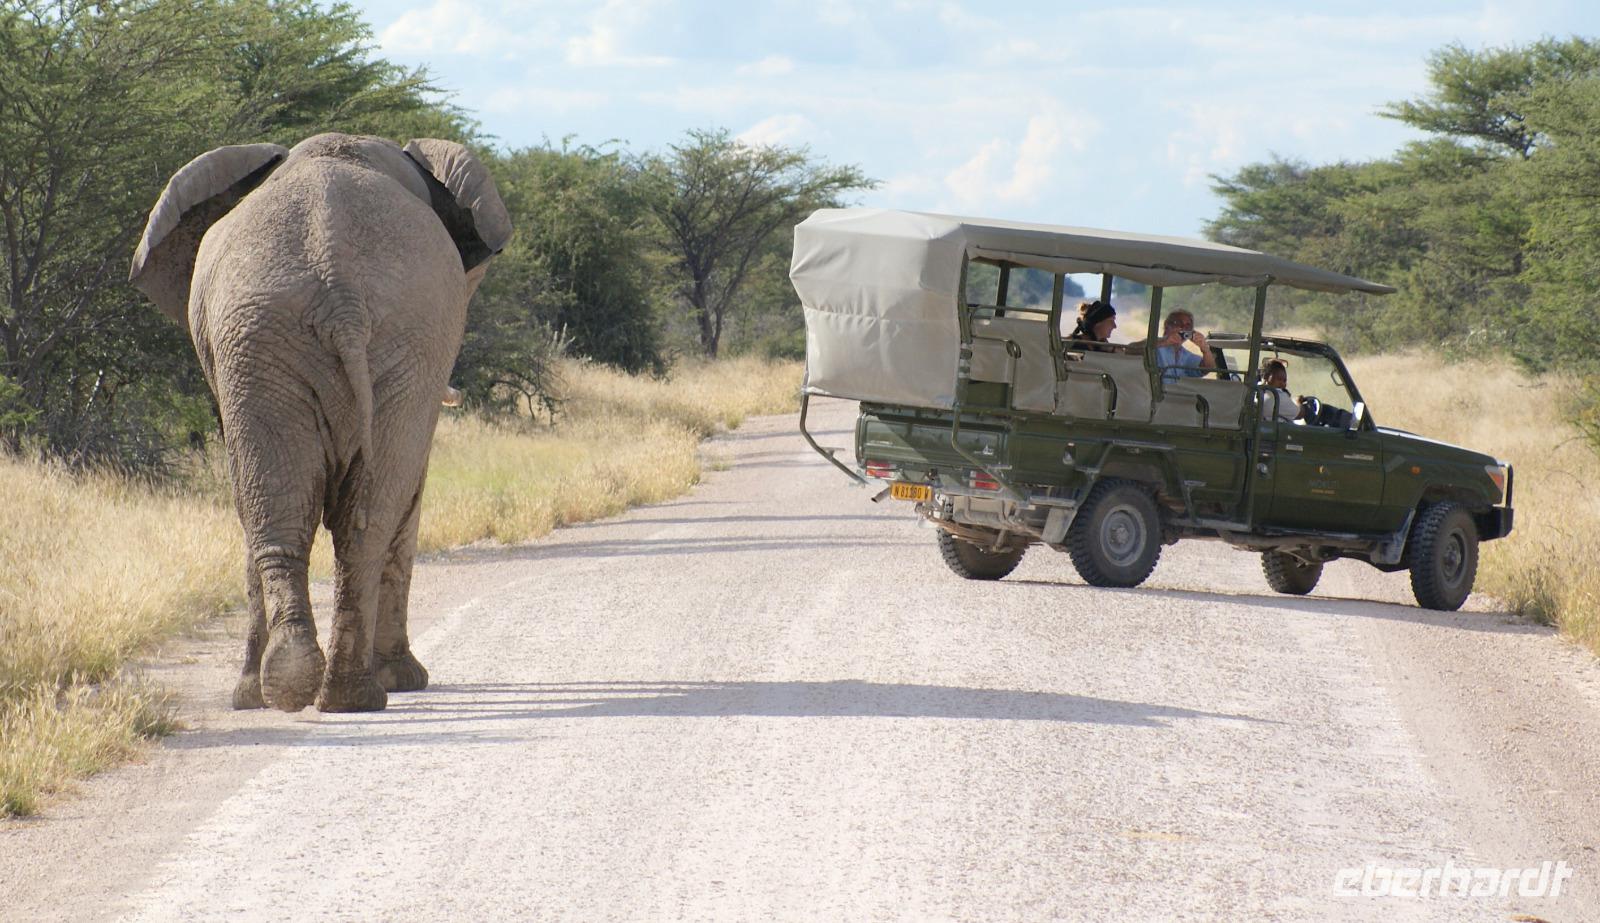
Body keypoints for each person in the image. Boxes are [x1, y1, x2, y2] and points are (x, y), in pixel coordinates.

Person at [1155, 309, 1216, 383]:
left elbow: (1207, 368)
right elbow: (1139, 349)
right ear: (1167, 325)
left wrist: (1205, 350)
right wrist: (1165, 342)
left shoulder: (1185, 355)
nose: (1183, 328)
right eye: (1178, 323)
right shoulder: (1154, 345)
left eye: (1188, 326)